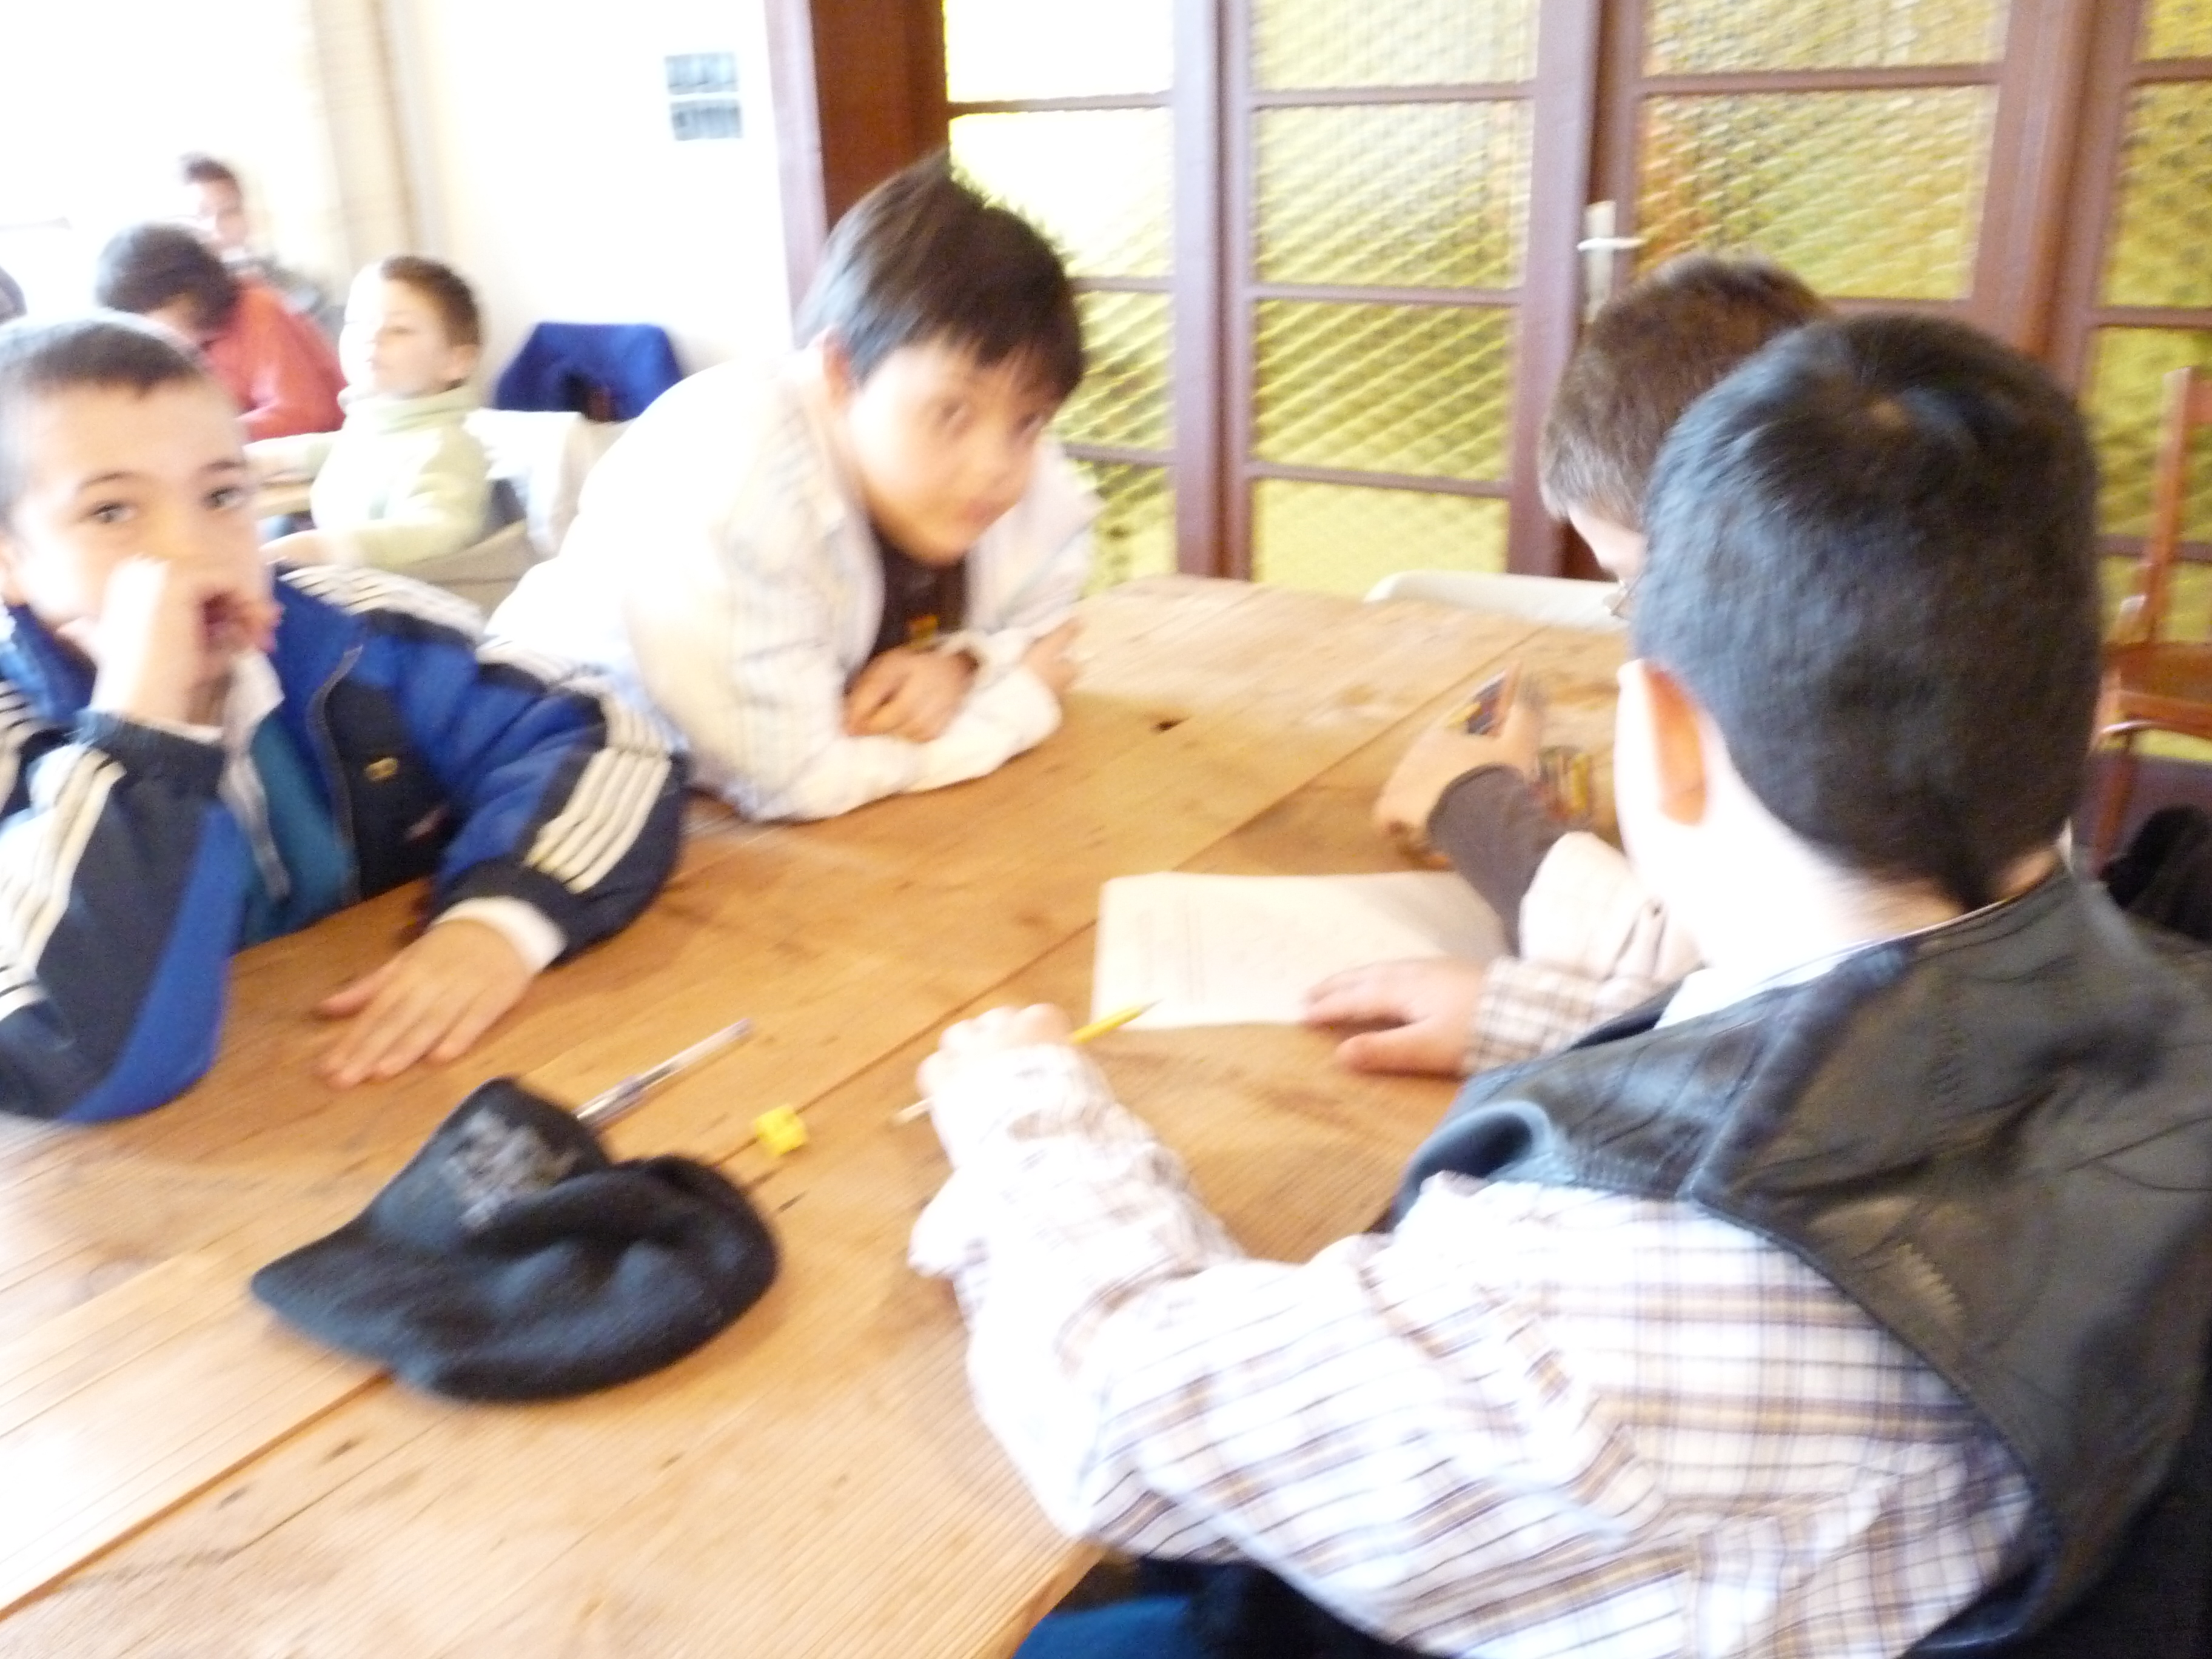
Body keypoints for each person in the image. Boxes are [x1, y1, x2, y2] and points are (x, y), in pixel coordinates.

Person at [909, 315, 2212, 1655]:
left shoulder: (1616, 1302)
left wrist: (1025, 1109)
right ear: (2088, 705)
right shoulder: (2162, 994)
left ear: (1664, 737)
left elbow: (1116, 1407)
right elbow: (1862, 1070)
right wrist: (1531, 1023)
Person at [0, 314, 686, 1121]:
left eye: (221, 496)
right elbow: (72, 1056)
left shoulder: (360, 631)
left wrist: (500, 924)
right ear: (11, 561)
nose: (192, 550)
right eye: (112, 512)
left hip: (405, 1089)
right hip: (195, 1164)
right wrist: (143, 729)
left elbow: (612, 739)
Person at [1308, 256, 1828, 1078]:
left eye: (1638, 582)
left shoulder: (1828, 714)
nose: (1643, 630)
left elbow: (1698, 983)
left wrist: (1471, 801)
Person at [489, 155, 1094, 821]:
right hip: (532, 777)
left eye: (1029, 421)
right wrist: (1018, 703)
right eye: (951, 412)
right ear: (839, 371)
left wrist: (960, 665)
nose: (996, 467)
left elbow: (1051, 625)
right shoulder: (740, 479)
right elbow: (796, 780)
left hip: (695, 805)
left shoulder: (999, 454)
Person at [252, 255, 493, 572]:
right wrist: (263, 460)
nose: (371, 337)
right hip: (346, 576)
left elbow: (437, 530)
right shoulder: (377, 425)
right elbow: (341, 449)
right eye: (356, 323)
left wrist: (323, 548)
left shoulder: (448, 447)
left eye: (399, 329)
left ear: (456, 361)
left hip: (396, 595)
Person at [94, 221, 344, 440]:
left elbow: (305, 413)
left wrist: (204, 435)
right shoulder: (171, 347)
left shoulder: (256, 310)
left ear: (186, 292)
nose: (144, 330)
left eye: (147, 313)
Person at [178, 152, 340, 337]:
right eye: (201, 215)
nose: (214, 227)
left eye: (229, 212)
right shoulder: (179, 304)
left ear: (247, 217)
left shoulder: (299, 289)